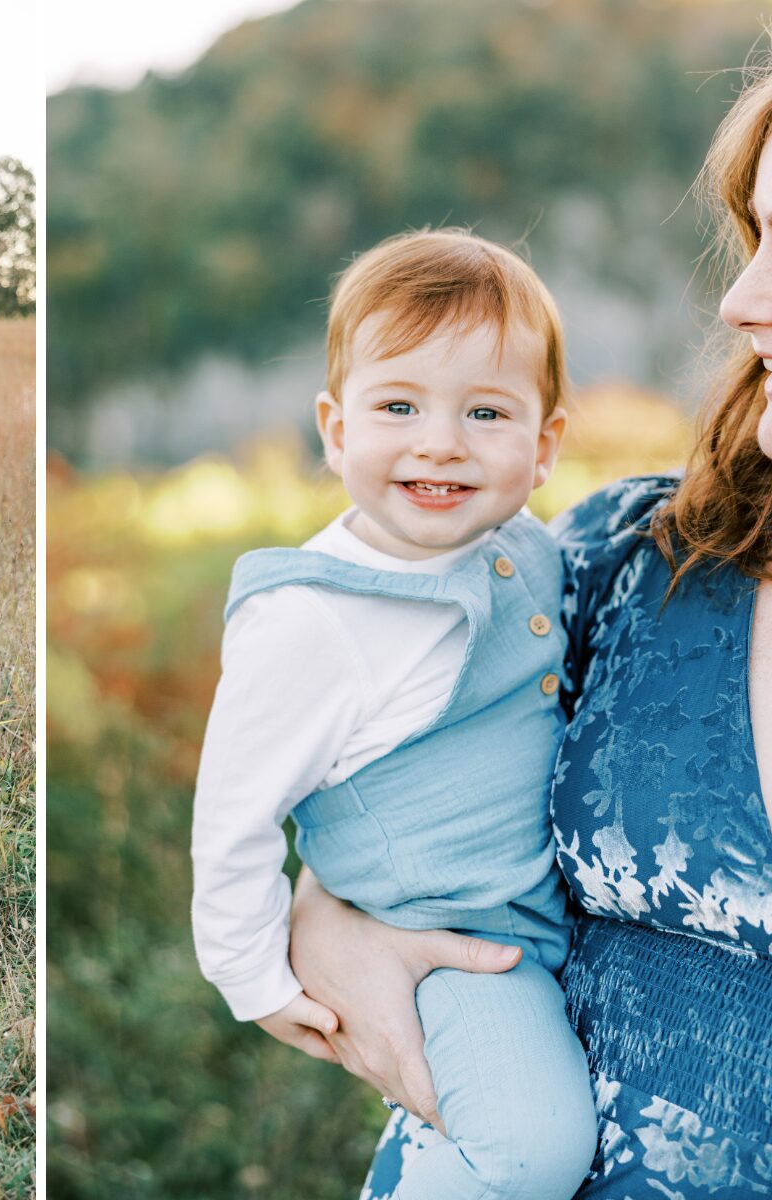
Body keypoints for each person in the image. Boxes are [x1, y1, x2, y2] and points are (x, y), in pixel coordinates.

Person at [286, 27, 772, 1198]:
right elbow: (367, 756)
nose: (741, 300)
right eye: (752, 245)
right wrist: (320, 914)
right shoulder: (623, 563)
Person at [193, 229, 595, 1197]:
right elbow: (234, 820)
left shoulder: (528, 550)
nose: (439, 442)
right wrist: (254, 980)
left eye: (485, 411)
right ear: (335, 430)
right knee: (534, 1148)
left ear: (542, 447)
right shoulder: (311, 621)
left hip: (542, 918)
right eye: (399, 405)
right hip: (450, 947)